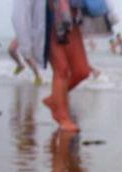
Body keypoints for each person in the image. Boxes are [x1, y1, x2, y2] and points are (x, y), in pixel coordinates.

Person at [43, 0, 91, 132]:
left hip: (72, 16)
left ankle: (54, 99)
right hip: (51, 14)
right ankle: (63, 117)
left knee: (82, 71)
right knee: (62, 69)